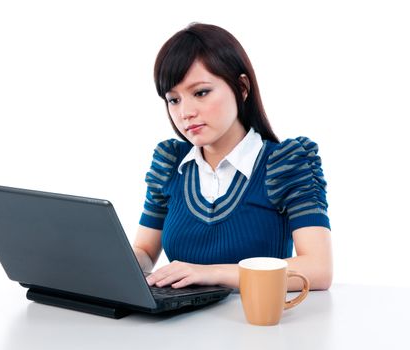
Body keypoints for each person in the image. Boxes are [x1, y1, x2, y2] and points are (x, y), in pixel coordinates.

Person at [132, 23, 332, 292]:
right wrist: (117, 264)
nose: (185, 112)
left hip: (258, 327)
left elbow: (318, 270)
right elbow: (145, 250)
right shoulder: (170, 165)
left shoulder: (286, 164)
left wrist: (209, 273)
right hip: (179, 327)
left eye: (200, 93)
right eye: (173, 99)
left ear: (242, 88)